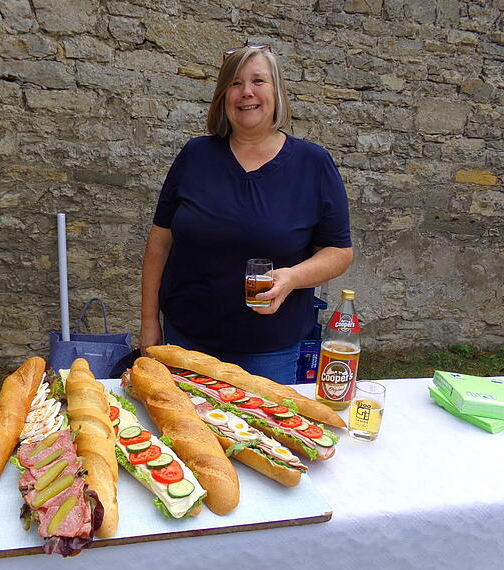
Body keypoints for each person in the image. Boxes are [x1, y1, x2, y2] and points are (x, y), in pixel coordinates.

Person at [140, 44, 353, 385]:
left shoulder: (312, 164)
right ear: (224, 96)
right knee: (184, 433)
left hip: (268, 350)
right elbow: (159, 243)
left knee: (258, 436)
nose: (247, 92)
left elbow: (339, 253)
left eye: (258, 81)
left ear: (277, 91)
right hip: (186, 341)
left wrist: (292, 278)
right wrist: (149, 322)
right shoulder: (195, 156)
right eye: (236, 83)